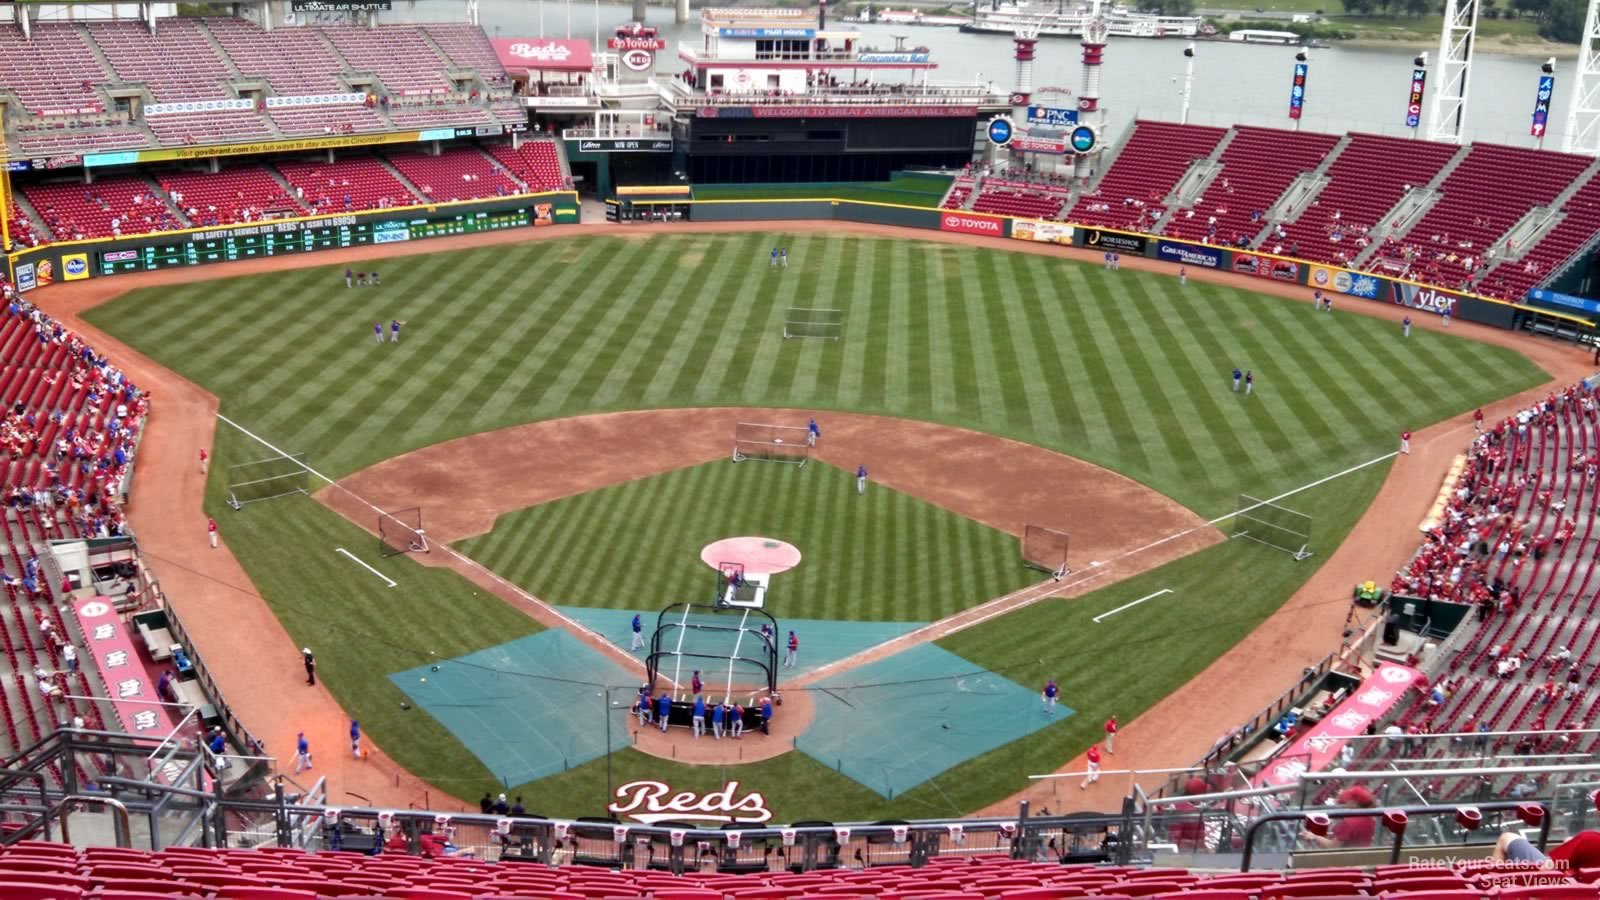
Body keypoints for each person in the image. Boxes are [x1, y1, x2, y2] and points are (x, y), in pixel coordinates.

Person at [1300, 786, 1377, 848]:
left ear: (1355, 804)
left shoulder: (1350, 822)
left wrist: (1314, 836)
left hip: (1346, 861)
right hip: (1360, 858)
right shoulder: (1370, 817)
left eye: (1349, 799)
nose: (1346, 801)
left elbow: (1333, 846)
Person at [1492, 829, 1600, 868]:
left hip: (1559, 891)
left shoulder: (1587, 840)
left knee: (1506, 838)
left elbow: (1545, 872)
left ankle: (1494, 889)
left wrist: (1574, 846)